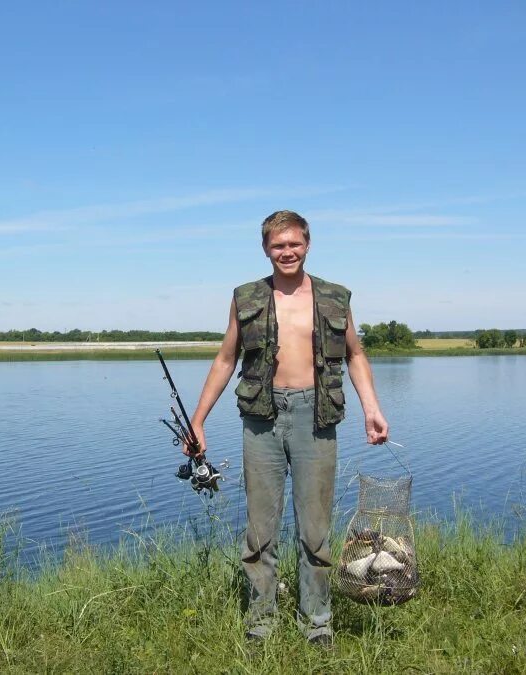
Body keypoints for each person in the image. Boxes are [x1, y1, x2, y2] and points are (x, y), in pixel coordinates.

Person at [185, 210, 389, 646]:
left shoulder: (335, 297)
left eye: (294, 244)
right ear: (266, 249)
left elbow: (355, 355)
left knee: (314, 530)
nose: (287, 252)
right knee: (260, 530)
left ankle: (317, 623)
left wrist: (372, 408)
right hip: (262, 419)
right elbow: (226, 359)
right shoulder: (247, 297)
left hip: (316, 417)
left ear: (308, 245)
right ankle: (261, 622)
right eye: (278, 246)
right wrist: (197, 421)